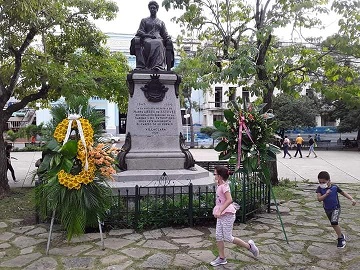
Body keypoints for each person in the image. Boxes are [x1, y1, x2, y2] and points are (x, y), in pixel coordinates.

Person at [210, 165, 259, 266]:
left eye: (215, 174)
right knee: (218, 236)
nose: (214, 175)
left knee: (228, 238)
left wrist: (220, 211)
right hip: (221, 214)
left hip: (227, 214)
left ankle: (249, 246)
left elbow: (229, 200)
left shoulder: (224, 187)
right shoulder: (220, 184)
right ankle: (222, 258)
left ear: (219, 176)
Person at [316, 171, 356, 248]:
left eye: (323, 182)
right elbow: (319, 199)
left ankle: (340, 239)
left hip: (336, 208)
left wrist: (352, 199)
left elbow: (343, 193)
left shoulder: (334, 187)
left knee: (334, 222)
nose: (321, 184)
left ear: (329, 181)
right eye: (320, 182)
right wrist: (326, 194)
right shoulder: (319, 189)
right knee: (333, 224)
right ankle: (341, 235)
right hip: (327, 209)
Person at [133, 1, 172, 70]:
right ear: (149, 9)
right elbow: (139, 31)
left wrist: (167, 37)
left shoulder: (161, 22)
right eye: (151, 8)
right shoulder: (144, 20)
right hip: (147, 39)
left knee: (159, 43)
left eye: (154, 8)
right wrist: (147, 35)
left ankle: (158, 66)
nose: (152, 9)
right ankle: (146, 65)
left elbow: (165, 33)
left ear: (157, 9)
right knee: (156, 43)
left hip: (159, 39)